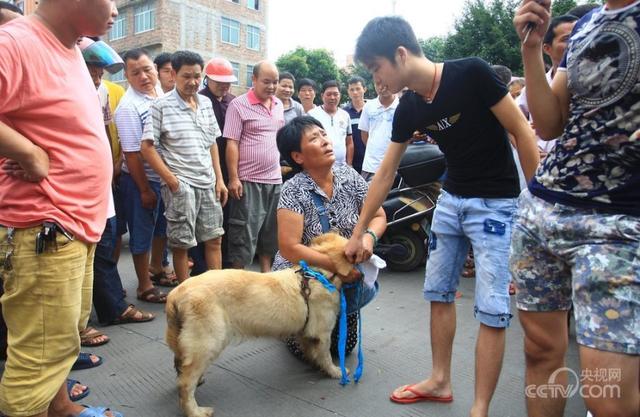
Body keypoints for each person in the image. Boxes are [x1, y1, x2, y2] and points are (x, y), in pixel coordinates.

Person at [347, 16, 538, 417]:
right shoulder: (409, 108)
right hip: (450, 201)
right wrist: (358, 230)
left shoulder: (472, 73)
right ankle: (439, 380)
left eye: (376, 68)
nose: (376, 80)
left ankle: (480, 407)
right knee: (437, 292)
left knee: (491, 307)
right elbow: (384, 173)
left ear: (400, 54)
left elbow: (521, 131)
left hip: (497, 204)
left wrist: (537, 204)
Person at [513, 1, 639, 416]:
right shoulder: (586, 24)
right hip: (543, 209)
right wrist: (532, 49)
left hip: (618, 222)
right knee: (541, 353)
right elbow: (550, 124)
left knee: (607, 397)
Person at [0, 0, 124, 416]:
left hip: (74, 225)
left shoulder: (68, 48)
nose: (117, 11)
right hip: (45, 226)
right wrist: (27, 153)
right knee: (38, 358)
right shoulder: (15, 43)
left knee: (60, 342)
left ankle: (63, 409)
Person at [273, 115, 386, 358]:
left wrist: (368, 239)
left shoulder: (348, 175)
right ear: (298, 157)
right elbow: (290, 248)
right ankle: (290, 324)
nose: (325, 141)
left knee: (344, 347)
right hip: (306, 276)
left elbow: (378, 216)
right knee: (309, 350)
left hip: (346, 271)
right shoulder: (293, 189)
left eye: (323, 134)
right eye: (314, 138)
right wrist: (338, 267)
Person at [141, 50, 227, 282]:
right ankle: (186, 295)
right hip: (182, 186)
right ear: (174, 75)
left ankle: (216, 291)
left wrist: (219, 179)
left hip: (208, 182)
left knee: (214, 238)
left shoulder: (206, 103)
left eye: (197, 76)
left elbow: (212, 143)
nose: (193, 82)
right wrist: (172, 181)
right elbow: (147, 147)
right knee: (182, 244)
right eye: (186, 76)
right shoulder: (161, 105)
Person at [115, 48, 174, 304]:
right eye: (135, 72)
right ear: (127, 76)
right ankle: (144, 286)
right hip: (142, 180)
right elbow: (132, 154)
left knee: (162, 228)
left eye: (147, 69)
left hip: (163, 178)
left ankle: (157, 268)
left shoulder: (160, 94)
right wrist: (144, 190)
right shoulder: (128, 107)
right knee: (142, 234)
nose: (143, 76)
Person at [223, 61, 284, 272]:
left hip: (275, 181)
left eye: (275, 82)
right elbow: (232, 142)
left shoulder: (278, 105)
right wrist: (233, 178)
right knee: (244, 234)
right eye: (266, 81)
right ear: (254, 79)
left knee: (270, 233)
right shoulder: (238, 105)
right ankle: (238, 280)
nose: (271, 86)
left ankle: (266, 276)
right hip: (248, 181)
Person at [189, 56, 237, 273]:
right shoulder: (198, 100)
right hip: (204, 169)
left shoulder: (232, 102)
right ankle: (200, 268)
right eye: (220, 82)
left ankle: (223, 265)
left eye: (228, 83)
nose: (224, 87)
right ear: (207, 79)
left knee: (224, 220)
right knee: (203, 223)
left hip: (229, 170)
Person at [516, 14, 578, 159]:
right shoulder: (532, 89)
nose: (575, 43)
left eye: (580, 36)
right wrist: (529, 148)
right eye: (567, 39)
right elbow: (512, 125)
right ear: (547, 48)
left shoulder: (591, 82)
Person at [359, 79, 398, 181]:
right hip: (371, 165)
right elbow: (364, 133)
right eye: (378, 83)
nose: (383, 87)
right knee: (368, 196)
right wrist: (374, 151)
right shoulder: (368, 106)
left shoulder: (401, 105)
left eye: (386, 83)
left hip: (398, 165)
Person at [308, 81, 353, 166]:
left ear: (340, 96)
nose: (332, 97)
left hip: (342, 167)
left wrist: (349, 164)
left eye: (336, 94)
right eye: (328, 94)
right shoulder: (312, 115)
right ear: (322, 96)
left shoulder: (345, 115)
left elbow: (349, 142)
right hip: (320, 166)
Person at [343, 76, 368, 173]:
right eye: (352, 90)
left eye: (358, 89)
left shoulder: (372, 109)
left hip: (371, 159)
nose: (355, 92)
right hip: (352, 161)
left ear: (364, 89)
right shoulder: (343, 113)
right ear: (348, 92)